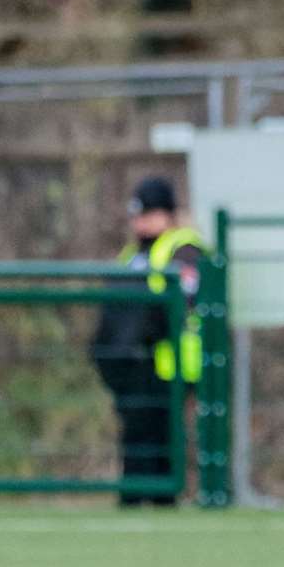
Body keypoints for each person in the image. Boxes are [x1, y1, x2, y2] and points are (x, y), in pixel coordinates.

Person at [88, 176, 205, 507]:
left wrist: (143, 338)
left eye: (148, 213)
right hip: (132, 367)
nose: (140, 222)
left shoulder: (184, 248)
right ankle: (135, 502)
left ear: (167, 214)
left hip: (169, 364)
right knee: (138, 438)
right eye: (137, 214)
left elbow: (182, 302)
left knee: (161, 441)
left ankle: (160, 505)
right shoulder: (131, 254)